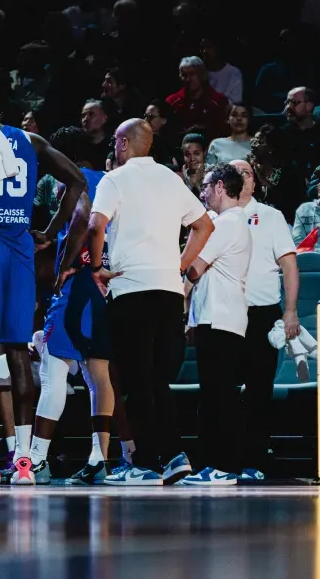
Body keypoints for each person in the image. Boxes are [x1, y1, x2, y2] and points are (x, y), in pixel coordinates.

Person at [0, 92, 87, 486]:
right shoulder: (30, 140)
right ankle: (24, 461)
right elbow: (75, 180)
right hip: (22, 246)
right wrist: (51, 231)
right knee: (19, 353)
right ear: (4, 115)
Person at [89, 118, 215, 485]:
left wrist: (97, 267)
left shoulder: (115, 179)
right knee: (158, 381)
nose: (114, 148)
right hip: (167, 291)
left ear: (125, 144)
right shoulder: (170, 180)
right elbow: (204, 225)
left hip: (131, 290)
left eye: (116, 141)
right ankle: (171, 455)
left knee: (137, 381)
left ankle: (145, 464)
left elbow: (96, 225)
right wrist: (179, 264)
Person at [37, 127, 114, 486]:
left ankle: (35, 459)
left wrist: (67, 262)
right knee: (97, 372)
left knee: (53, 368)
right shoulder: (108, 180)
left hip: (79, 281)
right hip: (104, 286)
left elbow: (82, 217)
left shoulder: (76, 180)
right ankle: (100, 456)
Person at [182, 164, 252, 485]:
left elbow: (194, 269)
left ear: (221, 187)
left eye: (207, 185)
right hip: (219, 318)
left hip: (221, 320)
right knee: (215, 394)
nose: (203, 191)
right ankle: (217, 464)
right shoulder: (230, 222)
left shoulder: (225, 224)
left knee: (218, 396)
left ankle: (222, 465)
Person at [232, 160, 300, 479]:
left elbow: (289, 267)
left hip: (261, 314)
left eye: (246, 172)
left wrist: (290, 311)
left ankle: (254, 461)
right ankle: (222, 460)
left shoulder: (271, 217)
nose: (240, 177)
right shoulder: (214, 218)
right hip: (223, 315)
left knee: (259, 391)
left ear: (255, 183)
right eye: (233, 173)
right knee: (222, 391)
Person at [166, 56, 229, 140]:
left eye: (192, 74)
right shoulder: (172, 101)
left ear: (202, 74)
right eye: (184, 75)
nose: (188, 79)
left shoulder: (219, 101)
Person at [283, 86, 320, 176]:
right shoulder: (282, 135)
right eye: (287, 102)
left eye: (294, 102)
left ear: (309, 106)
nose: (288, 107)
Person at [80, 99, 113, 170]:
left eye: (91, 114)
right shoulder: (77, 145)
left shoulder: (113, 147)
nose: (85, 119)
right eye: (83, 115)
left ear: (104, 118)